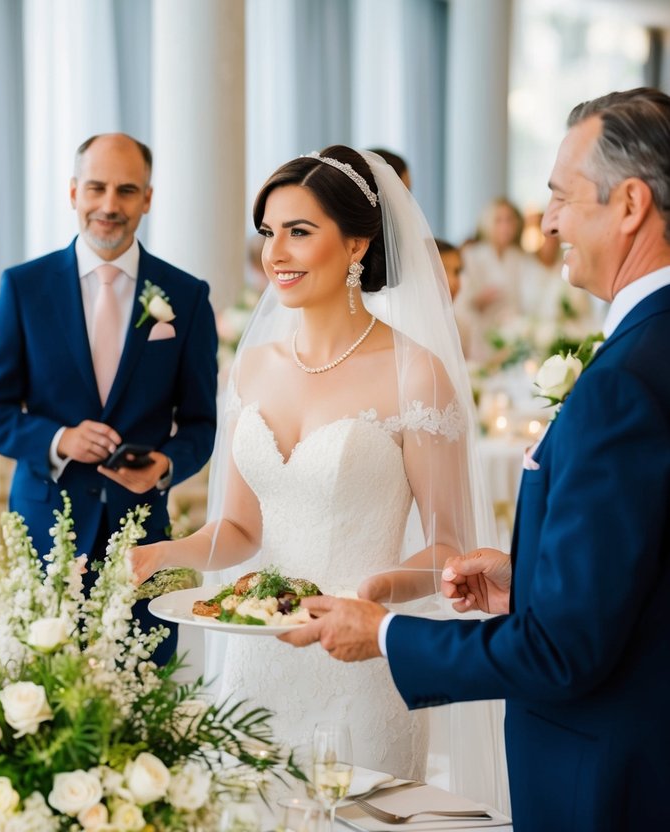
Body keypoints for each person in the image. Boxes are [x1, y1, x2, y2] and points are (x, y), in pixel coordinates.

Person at [283, 88, 670, 831]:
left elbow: (563, 653)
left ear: (627, 204)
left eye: (559, 197)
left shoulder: (624, 380)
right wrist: (528, 582)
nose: (547, 220)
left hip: (611, 776)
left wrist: (386, 634)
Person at [132, 146, 493, 781]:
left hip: (358, 659)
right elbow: (241, 532)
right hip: (258, 660)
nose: (276, 253)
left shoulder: (416, 375)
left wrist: (376, 590)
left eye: (300, 232)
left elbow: (446, 548)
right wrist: (163, 553)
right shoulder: (252, 366)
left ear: (357, 245)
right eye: (269, 233)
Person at [0, 133, 218, 660]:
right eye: (97, 188)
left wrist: (166, 465)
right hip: (43, 535)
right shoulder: (23, 287)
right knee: (41, 711)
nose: (110, 206)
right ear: (73, 192)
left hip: (143, 541)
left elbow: (201, 424)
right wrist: (58, 439)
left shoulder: (187, 296)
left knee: (144, 703)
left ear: (147, 199)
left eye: (126, 191)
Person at [455, 197, 531, 360]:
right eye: (499, 220)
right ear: (488, 223)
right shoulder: (472, 255)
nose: (505, 227)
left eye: (510, 220)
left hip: (514, 335)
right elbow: (461, 299)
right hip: (481, 333)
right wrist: (479, 300)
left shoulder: (521, 258)